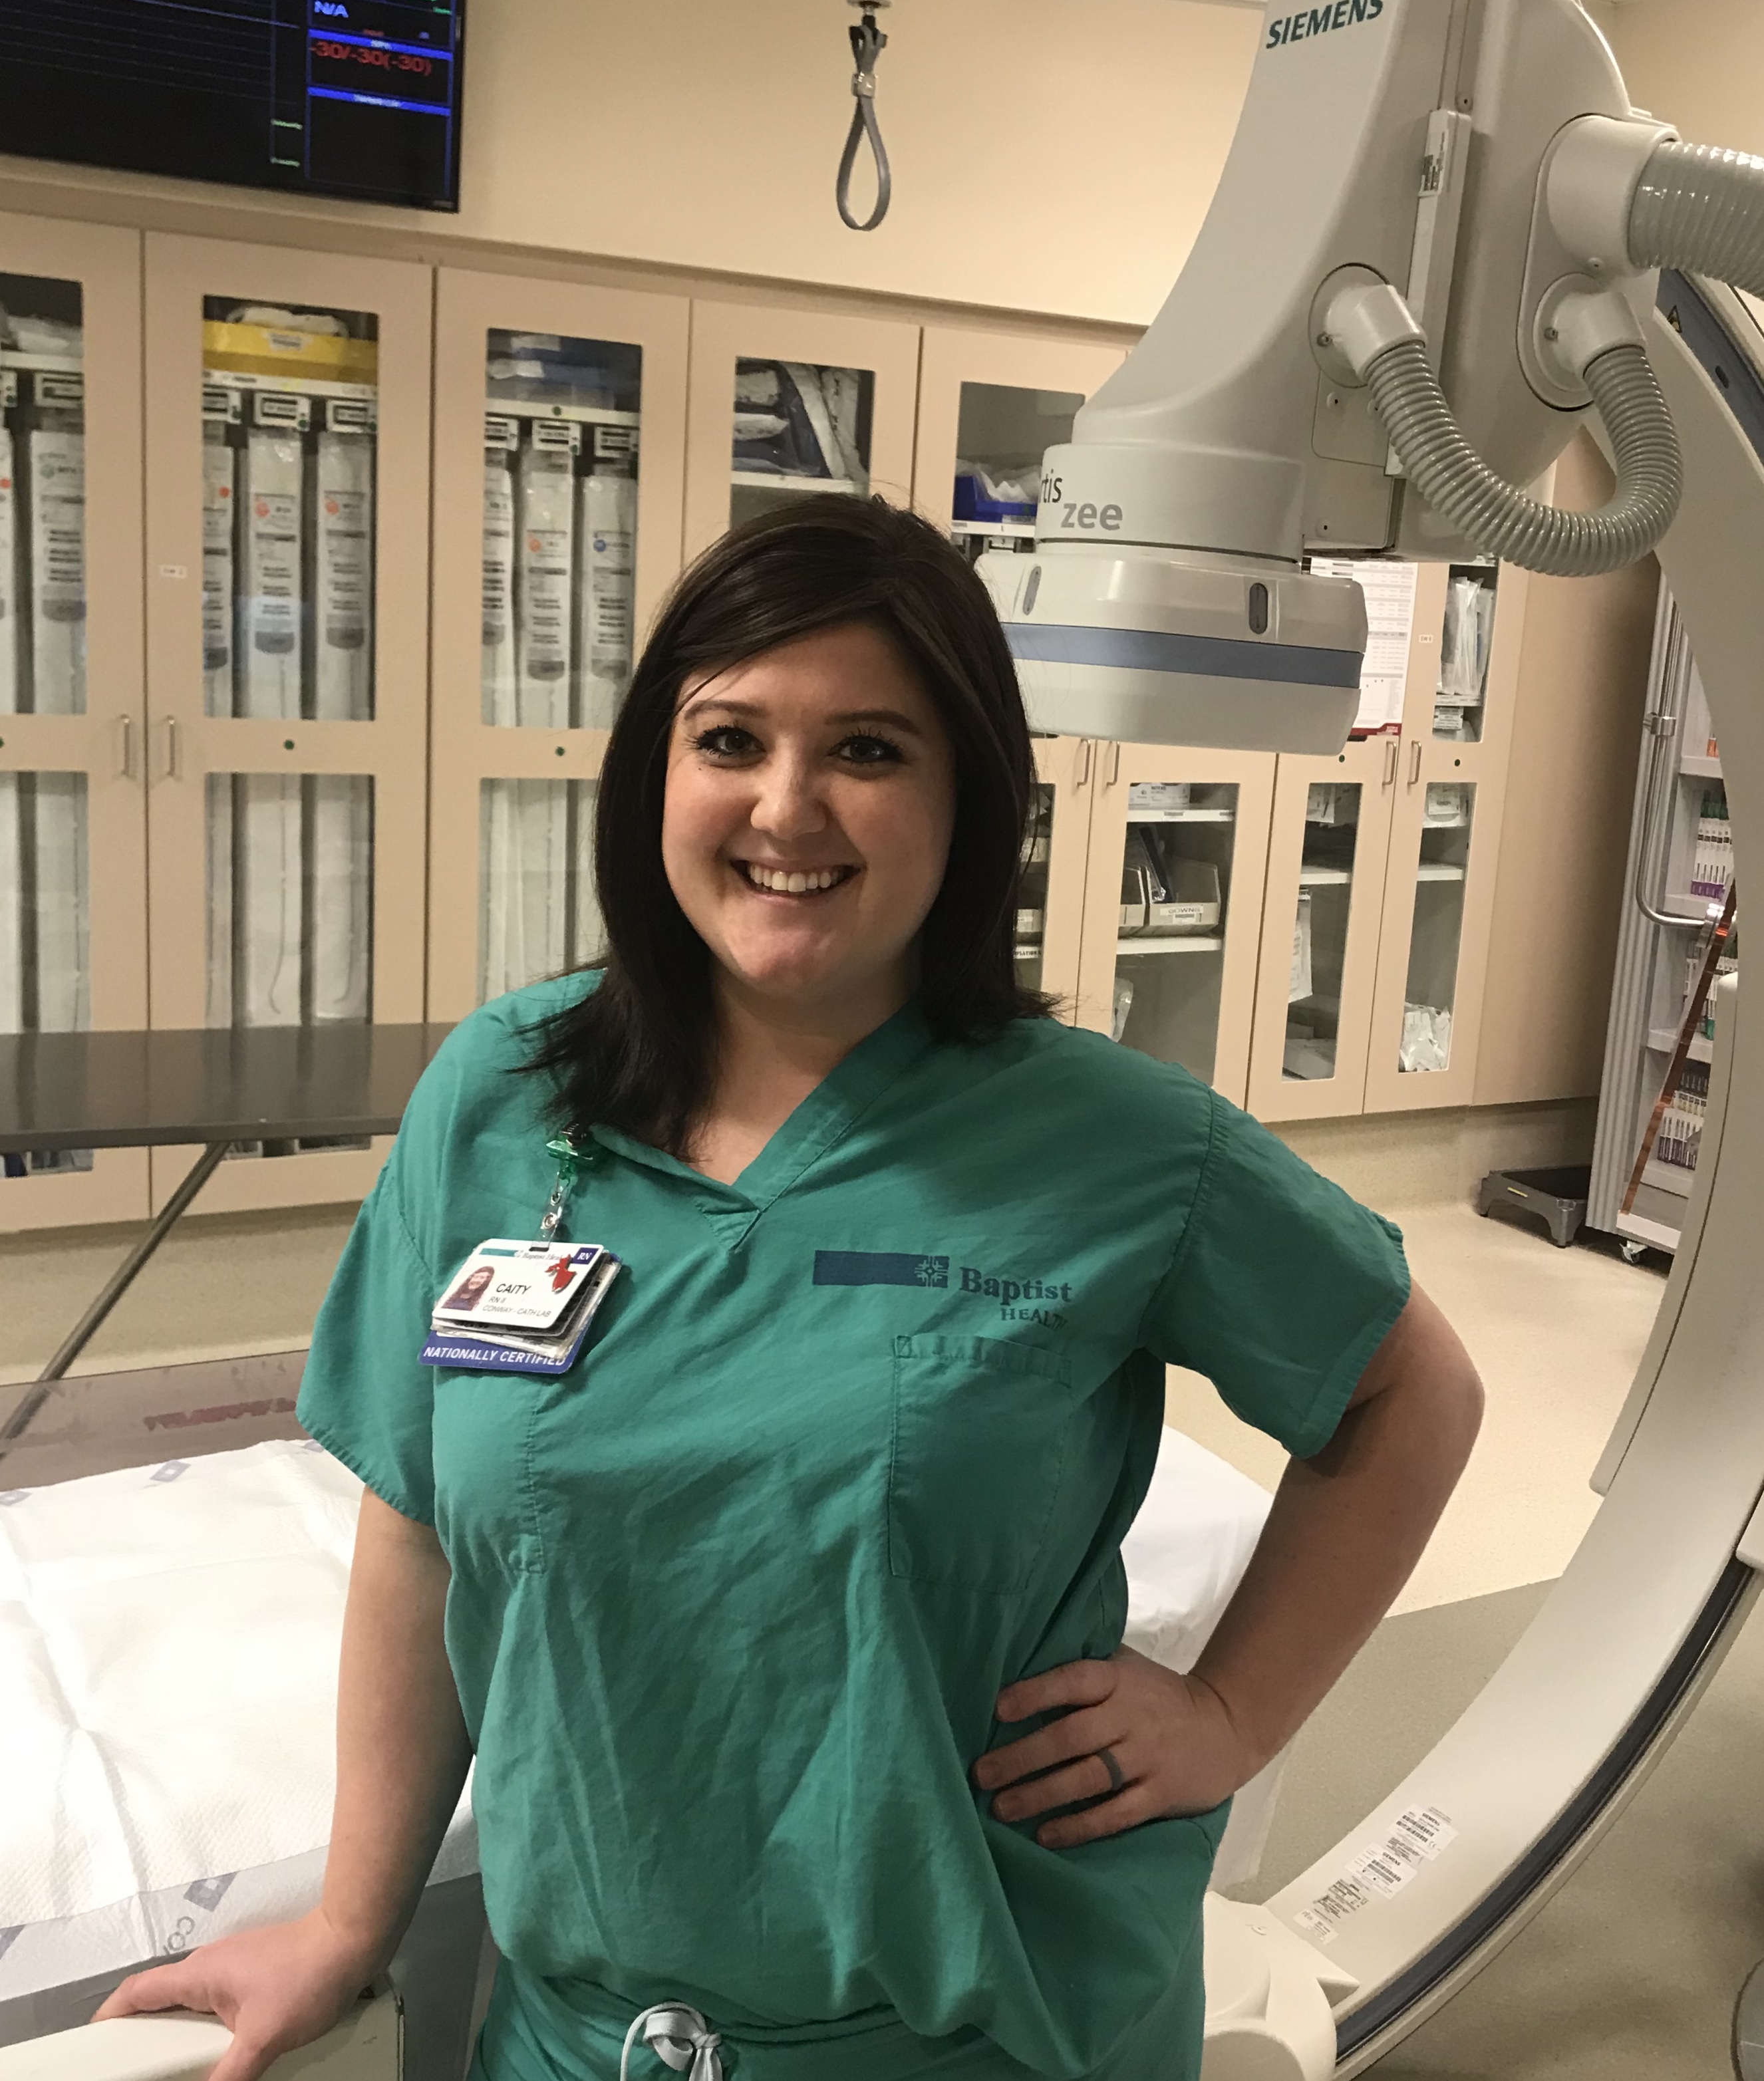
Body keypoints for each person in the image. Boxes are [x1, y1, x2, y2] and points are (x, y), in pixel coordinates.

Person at [98, 497, 1483, 2081]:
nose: (787, 804)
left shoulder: (1114, 1141)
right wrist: (352, 1919)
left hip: (983, 2030)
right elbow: (418, 1523)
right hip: (579, 2036)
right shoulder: (503, 1092)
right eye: (730, 737)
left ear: (971, 797)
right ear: (656, 777)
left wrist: (1235, 1709)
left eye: (872, 749)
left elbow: (1407, 1386)